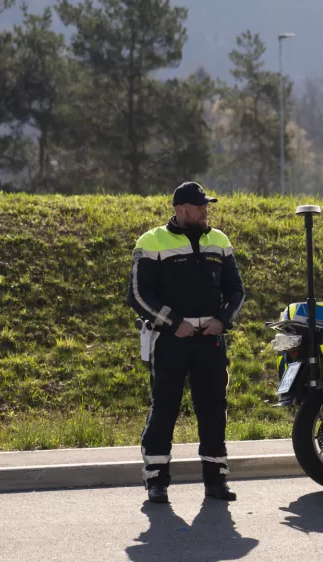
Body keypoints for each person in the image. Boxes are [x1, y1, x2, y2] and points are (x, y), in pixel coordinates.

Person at [127, 181, 246, 504]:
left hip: (210, 340)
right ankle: (156, 480)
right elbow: (138, 294)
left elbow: (237, 290)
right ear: (181, 209)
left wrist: (222, 320)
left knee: (213, 409)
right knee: (164, 408)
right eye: (200, 206)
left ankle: (216, 480)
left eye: (207, 205)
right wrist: (173, 323)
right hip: (170, 340)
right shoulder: (152, 241)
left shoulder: (219, 240)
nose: (206, 210)